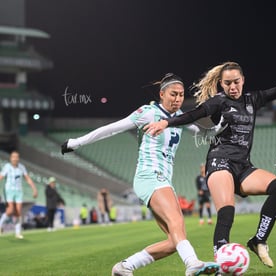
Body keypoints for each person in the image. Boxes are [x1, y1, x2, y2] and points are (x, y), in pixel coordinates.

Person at [144, 46, 276, 269]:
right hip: (219, 163)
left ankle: (259, 240)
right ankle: (221, 262)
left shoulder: (252, 100)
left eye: (236, 81)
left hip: (243, 166)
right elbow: (194, 114)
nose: (232, 86)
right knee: (227, 210)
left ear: (243, 80)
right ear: (221, 84)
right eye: (227, 83)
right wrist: (166, 122)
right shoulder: (219, 102)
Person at [61, 73, 219, 276]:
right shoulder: (148, 112)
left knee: (174, 241)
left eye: (181, 95)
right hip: (150, 175)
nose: (178, 99)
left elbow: (202, 133)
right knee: (176, 222)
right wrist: (77, 142)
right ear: (162, 94)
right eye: (173, 94)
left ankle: (125, 267)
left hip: (161, 179)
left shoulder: (179, 118)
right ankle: (192, 263)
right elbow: (111, 129)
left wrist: (224, 126)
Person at [0, 150, 38, 238]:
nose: (15, 159)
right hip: (9, 190)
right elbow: (1, 177)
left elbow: (27, 178)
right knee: (10, 210)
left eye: (17, 157)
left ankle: (18, 232)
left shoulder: (21, 167)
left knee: (18, 211)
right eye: (13, 157)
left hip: (19, 191)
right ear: (11, 158)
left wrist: (34, 189)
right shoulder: (7, 167)